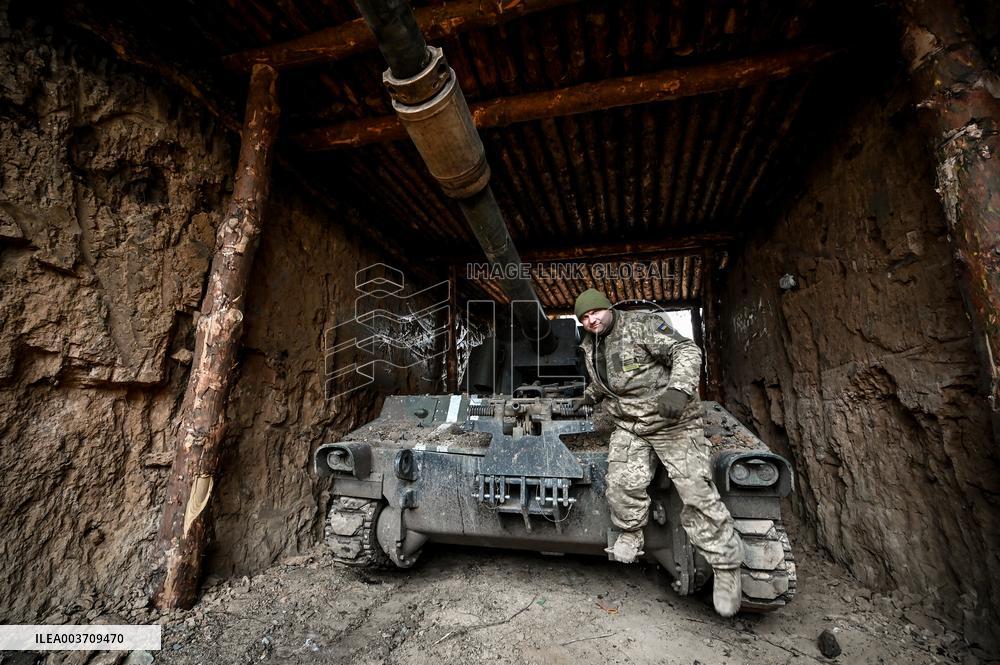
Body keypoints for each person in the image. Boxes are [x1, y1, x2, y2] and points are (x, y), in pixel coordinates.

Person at [573, 287, 744, 617]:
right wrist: (590, 395)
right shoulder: (591, 343)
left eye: (595, 312)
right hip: (631, 423)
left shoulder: (642, 325)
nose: (591, 320)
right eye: (584, 317)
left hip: (671, 421)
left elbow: (686, 350)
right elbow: (611, 379)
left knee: (696, 491)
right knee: (621, 482)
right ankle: (631, 534)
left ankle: (726, 566)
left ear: (608, 308)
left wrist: (679, 390)